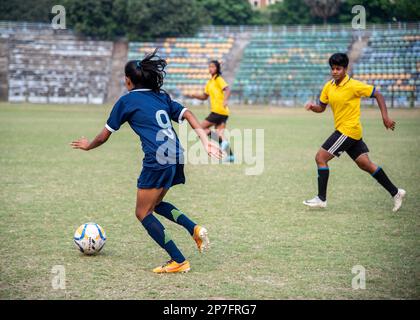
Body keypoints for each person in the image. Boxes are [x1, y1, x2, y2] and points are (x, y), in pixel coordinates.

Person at [71, 50, 222, 273]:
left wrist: (88, 145)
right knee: (156, 205)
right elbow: (188, 113)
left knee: (143, 213)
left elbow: (104, 136)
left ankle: (179, 260)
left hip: (157, 159)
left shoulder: (126, 101)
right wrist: (204, 139)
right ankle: (194, 229)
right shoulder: (160, 96)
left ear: (128, 80)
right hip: (176, 155)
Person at [303, 53, 406, 212]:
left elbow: (377, 94)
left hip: (348, 130)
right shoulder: (328, 86)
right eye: (333, 68)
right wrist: (312, 107)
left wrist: (385, 117)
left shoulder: (354, 85)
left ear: (345, 69)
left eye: (338, 68)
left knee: (320, 157)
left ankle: (321, 199)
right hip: (350, 132)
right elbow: (321, 108)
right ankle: (396, 192)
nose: (335, 71)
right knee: (365, 164)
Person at [187, 60, 235, 162]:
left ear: (217, 68)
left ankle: (222, 143)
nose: (211, 69)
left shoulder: (218, 79)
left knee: (200, 129)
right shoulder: (209, 83)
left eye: (213, 67)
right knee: (220, 135)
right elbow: (204, 97)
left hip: (218, 111)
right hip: (223, 112)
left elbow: (227, 89)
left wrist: (225, 100)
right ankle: (231, 156)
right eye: (209, 67)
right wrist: (194, 95)